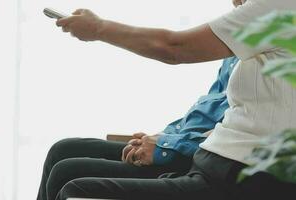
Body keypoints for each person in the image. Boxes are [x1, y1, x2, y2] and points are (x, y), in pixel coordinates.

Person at [51, 0, 296, 199]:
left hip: (235, 177)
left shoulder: (279, 7)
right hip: (212, 164)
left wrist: (98, 28)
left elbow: (173, 47)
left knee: (74, 187)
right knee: (65, 158)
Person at [37, 55, 239, 200]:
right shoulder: (234, 54)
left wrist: (165, 146)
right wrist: (163, 136)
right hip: (177, 144)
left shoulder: (258, 67)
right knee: (62, 149)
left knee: (66, 171)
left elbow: (227, 133)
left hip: (190, 159)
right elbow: (204, 111)